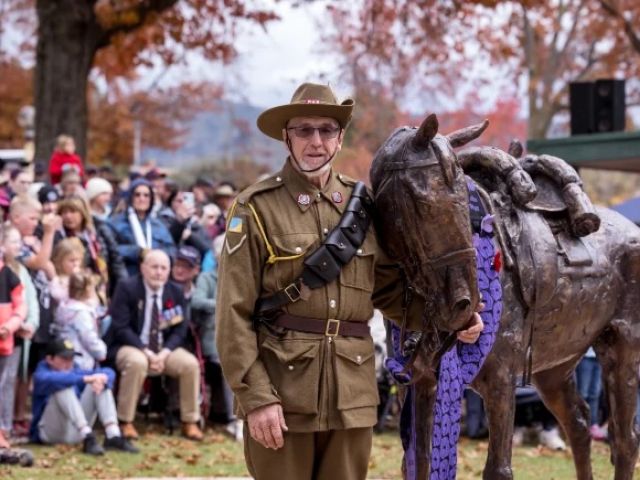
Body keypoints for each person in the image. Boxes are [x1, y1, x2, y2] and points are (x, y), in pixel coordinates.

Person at [215, 82, 484, 479]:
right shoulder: (255, 208)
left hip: (351, 394)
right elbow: (232, 316)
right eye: (304, 130)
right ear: (286, 138)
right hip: (283, 393)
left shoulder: (363, 207)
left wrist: (451, 320)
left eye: (326, 130)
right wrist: (256, 399)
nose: (315, 141)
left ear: (340, 139)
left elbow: (391, 292)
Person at [105, 249, 203, 441]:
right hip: (130, 346)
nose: (159, 272)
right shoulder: (127, 288)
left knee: (190, 364)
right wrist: (147, 353)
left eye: (163, 268)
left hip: (163, 349)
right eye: (154, 267)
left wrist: (164, 353)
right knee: (137, 362)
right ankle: (125, 421)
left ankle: (190, 421)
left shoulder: (175, 292)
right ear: (142, 268)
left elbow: (180, 329)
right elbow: (121, 327)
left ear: (169, 271)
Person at [30, 339, 138, 454]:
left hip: (75, 433)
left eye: (71, 358)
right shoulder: (41, 373)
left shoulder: (74, 370)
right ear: (49, 359)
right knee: (61, 386)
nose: (69, 363)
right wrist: (86, 379)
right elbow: (52, 379)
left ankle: (113, 435)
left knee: (99, 383)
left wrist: (101, 379)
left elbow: (108, 372)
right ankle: (87, 434)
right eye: (64, 359)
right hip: (50, 433)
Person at [55, 196, 126, 300]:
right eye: (64, 213)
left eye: (73, 211)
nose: (68, 216)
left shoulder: (99, 230)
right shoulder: (60, 237)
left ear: (83, 213)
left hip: (103, 287)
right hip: (76, 290)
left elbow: (115, 259)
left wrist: (122, 288)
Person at [107, 179, 176, 276]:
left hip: (155, 277)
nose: (142, 199)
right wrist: (137, 252)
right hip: (127, 277)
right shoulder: (115, 223)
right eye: (137, 195)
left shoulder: (158, 225)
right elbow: (109, 249)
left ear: (151, 199)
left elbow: (171, 249)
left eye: (146, 195)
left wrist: (155, 254)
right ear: (131, 197)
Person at [0, 226, 27, 449]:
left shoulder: (10, 276)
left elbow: (21, 306)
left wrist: (10, 326)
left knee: (4, 385)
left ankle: (3, 430)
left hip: (4, 342)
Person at [53, 272, 106, 371]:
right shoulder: (81, 313)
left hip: (66, 355)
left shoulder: (65, 307)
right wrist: (101, 351)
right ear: (88, 289)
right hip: (80, 360)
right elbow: (88, 337)